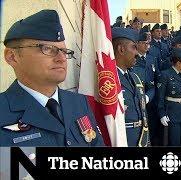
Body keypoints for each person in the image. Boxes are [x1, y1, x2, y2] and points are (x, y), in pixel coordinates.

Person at [0, 10, 104, 146]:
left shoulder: (78, 102)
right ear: (12, 57)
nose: (61, 59)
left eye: (64, 51)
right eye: (47, 49)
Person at [112, 27, 149, 147]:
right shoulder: (109, 80)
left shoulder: (135, 78)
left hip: (140, 138)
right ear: (121, 49)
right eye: (133, 47)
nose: (137, 53)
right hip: (121, 140)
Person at [157, 48, 181, 146]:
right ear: (178, 63)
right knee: (174, 142)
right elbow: (160, 96)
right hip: (172, 112)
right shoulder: (165, 74)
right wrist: (161, 113)